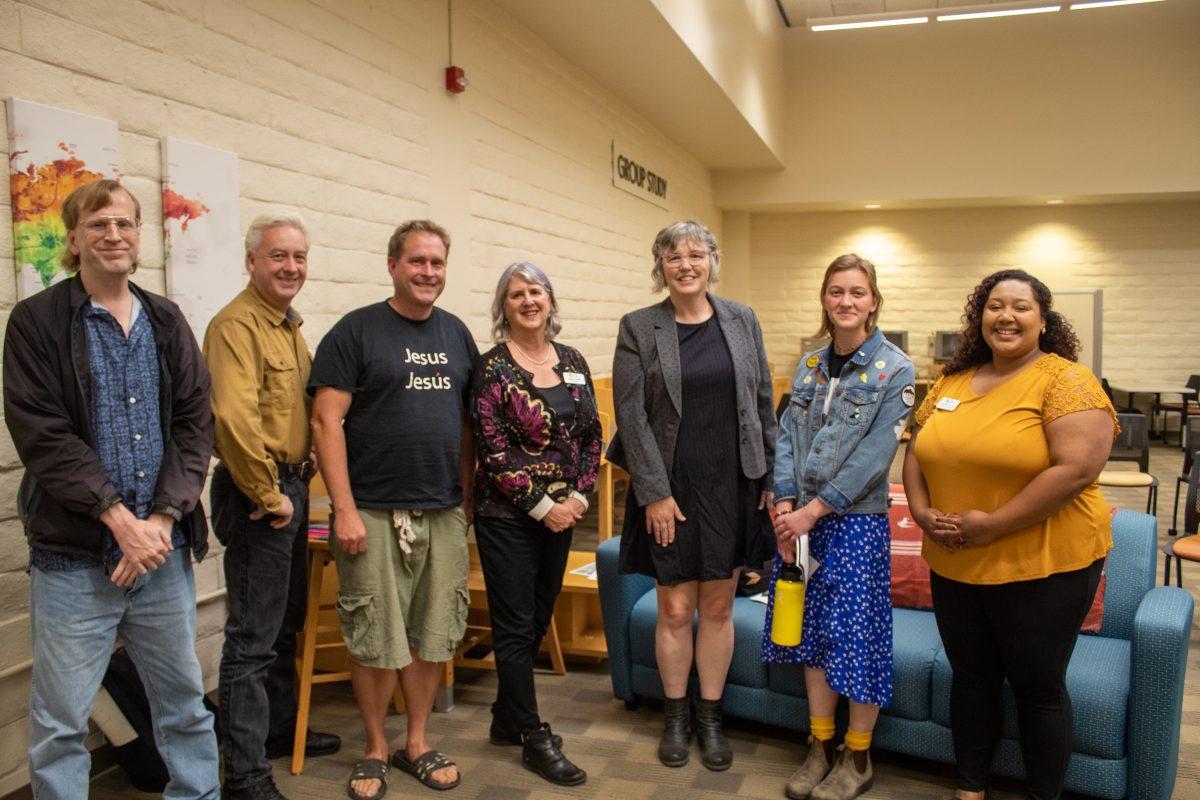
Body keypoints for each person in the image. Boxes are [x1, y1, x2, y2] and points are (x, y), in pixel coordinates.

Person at [3, 179, 219, 798]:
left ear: (138, 235)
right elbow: (42, 435)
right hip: (73, 561)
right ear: (73, 240)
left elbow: (193, 423)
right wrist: (119, 521)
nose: (113, 234)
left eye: (124, 223)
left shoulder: (165, 319)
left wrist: (162, 520)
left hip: (161, 554)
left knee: (183, 709)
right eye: (98, 224)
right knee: (60, 725)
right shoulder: (37, 322)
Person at [903, 269, 1116, 800]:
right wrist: (923, 511)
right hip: (955, 558)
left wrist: (993, 525)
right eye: (995, 306)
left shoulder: (1065, 379)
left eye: (1021, 307)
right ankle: (970, 788)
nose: (1006, 316)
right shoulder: (953, 382)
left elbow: (1075, 471)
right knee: (970, 677)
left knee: (1036, 687)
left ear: (1043, 320)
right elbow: (916, 452)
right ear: (980, 318)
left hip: (1044, 562)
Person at [309, 219, 478, 799]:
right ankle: (376, 747)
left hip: (443, 510)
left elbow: (466, 426)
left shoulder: (457, 334)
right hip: (373, 510)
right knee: (376, 636)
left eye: (437, 263)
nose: (428, 272)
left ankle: (418, 742)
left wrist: (467, 499)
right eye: (417, 262)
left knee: (434, 633)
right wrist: (345, 509)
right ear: (392, 266)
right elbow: (325, 421)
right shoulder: (355, 332)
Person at [609, 220, 776, 771]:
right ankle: (675, 715)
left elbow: (760, 400)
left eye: (696, 254)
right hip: (671, 491)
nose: (685, 264)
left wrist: (771, 479)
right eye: (673, 256)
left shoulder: (742, 319)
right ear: (660, 266)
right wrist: (653, 493)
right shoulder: (639, 327)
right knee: (676, 609)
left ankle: (710, 716)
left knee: (720, 606)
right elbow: (631, 417)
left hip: (733, 483)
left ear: (712, 260)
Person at [764, 254, 915, 800]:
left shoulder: (894, 369)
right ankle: (819, 745)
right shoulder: (808, 366)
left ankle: (858, 756)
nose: (845, 302)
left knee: (857, 638)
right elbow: (785, 437)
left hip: (853, 523)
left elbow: (874, 457)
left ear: (873, 300)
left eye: (856, 292)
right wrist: (784, 502)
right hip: (798, 522)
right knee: (811, 637)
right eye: (835, 292)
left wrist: (813, 508)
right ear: (824, 300)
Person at [204, 212, 340, 800]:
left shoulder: (287, 327)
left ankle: (279, 732)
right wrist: (271, 496)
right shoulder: (236, 325)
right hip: (259, 494)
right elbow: (232, 419)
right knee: (252, 641)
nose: (291, 267)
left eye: (299, 258)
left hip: (287, 487)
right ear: (252, 261)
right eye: (278, 256)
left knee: (287, 626)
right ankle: (245, 775)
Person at [470, 262, 602, 786]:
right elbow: (493, 452)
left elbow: (592, 434)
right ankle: (531, 733)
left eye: (536, 291)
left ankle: (505, 717)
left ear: (551, 301)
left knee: (536, 615)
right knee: (514, 623)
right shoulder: (492, 368)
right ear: (503, 307)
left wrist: (579, 497)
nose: (528, 301)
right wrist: (544, 508)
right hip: (507, 515)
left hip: (564, 512)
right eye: (516, 294)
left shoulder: (572, 360)